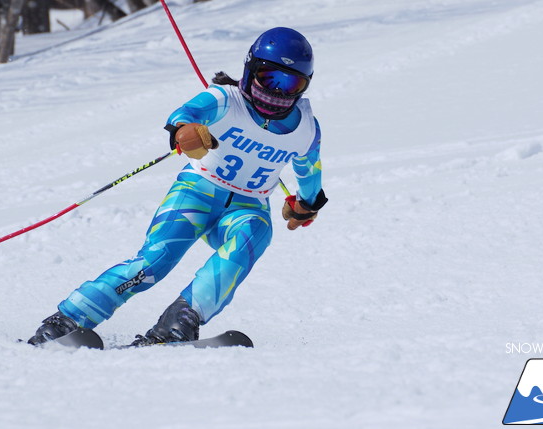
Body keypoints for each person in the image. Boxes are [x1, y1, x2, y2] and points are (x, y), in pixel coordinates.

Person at [27, 27, 327, 347]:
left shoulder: (305, 128)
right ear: (250, 70)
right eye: (270, 78)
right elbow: (185, 114)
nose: (278, 92)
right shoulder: (225, 99)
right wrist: (186, 131)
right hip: (197, 192)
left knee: (255, 234)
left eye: (291, 83)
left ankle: (181, 319)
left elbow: (309, 170)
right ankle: (70, 318)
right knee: (155, 262)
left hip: (247, 205)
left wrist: (306, 204)